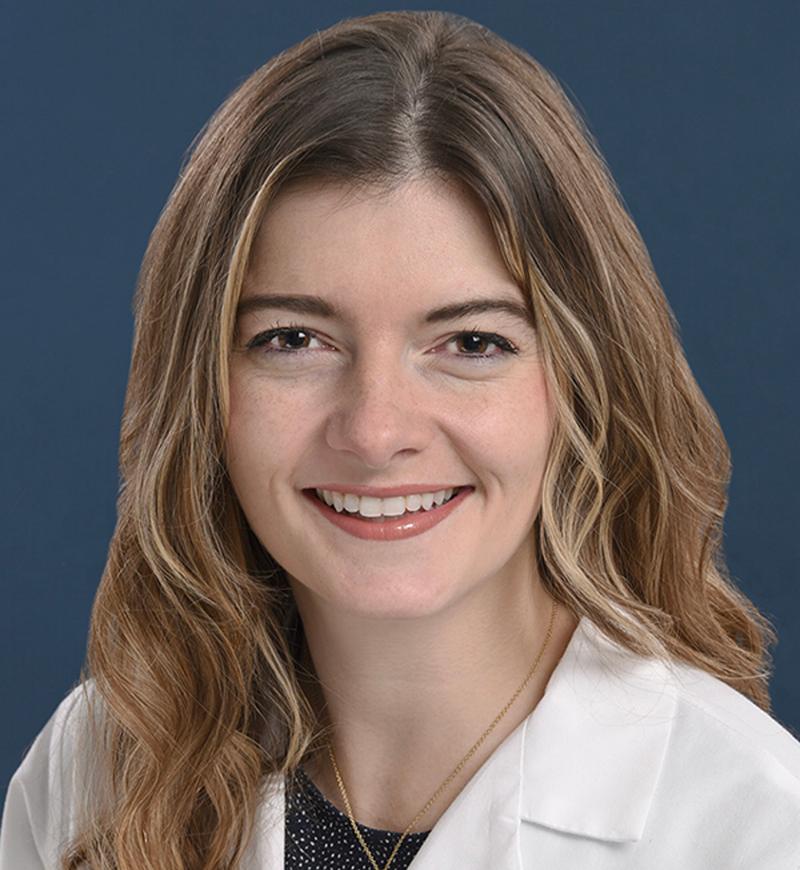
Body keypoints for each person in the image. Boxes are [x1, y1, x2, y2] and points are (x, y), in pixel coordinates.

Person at [1, 9, 798, 870]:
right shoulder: (98, 769)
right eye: (293, 340)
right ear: (202, 386)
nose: (376, 432)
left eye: (471, 344)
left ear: (585, 381)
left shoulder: (752, 823)